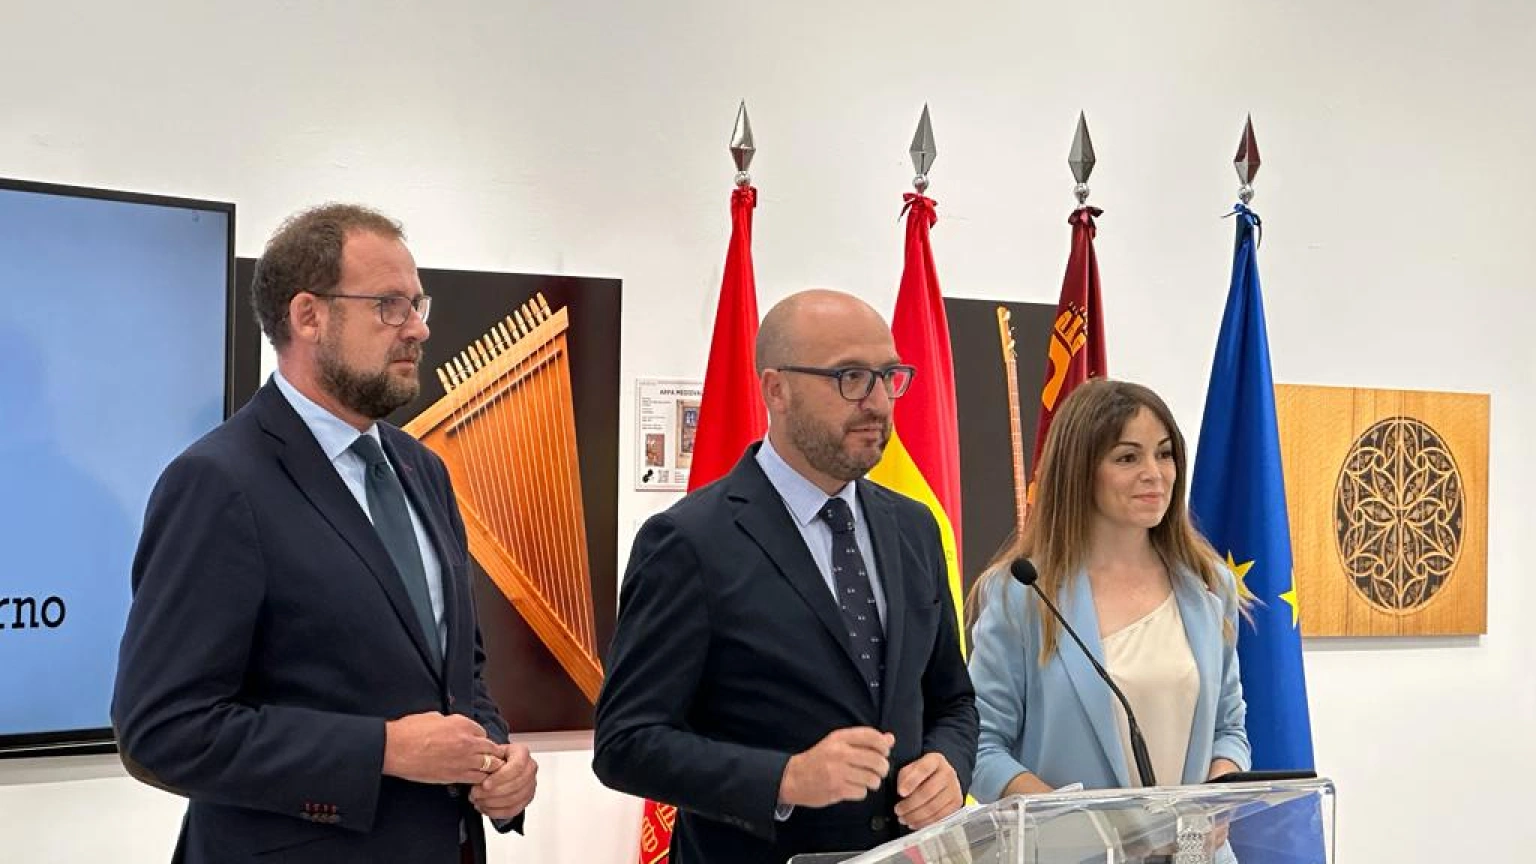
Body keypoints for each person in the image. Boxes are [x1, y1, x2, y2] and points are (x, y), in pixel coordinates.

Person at [112, 204, 535, 864]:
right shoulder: (219, 482)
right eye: (390, 306)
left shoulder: (423, 470)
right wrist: (383, 750)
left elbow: (460, 674)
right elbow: (164, 731)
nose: (419, 328)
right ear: (308, 316)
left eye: (418, 304)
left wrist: (496, 760)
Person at [593, 289, 977, 864]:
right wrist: (783, 779)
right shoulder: (688, 541)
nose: (878, 402)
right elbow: (626, 743)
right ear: (776, 389)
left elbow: (953, 701)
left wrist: (949, 764)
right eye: (851, 377)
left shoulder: (914, 527)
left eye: (888, 377)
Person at [967, 379, 1250, 804]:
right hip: (1067, 840)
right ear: (1079, 470)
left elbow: (1229, 729)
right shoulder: (1023, 593)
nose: (1154, 474)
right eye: (1127, 457)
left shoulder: (1209, 585)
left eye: (1164, 454)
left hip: (1189, 840)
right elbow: (981, 747)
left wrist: (1216, 801)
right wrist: (1072, 817)